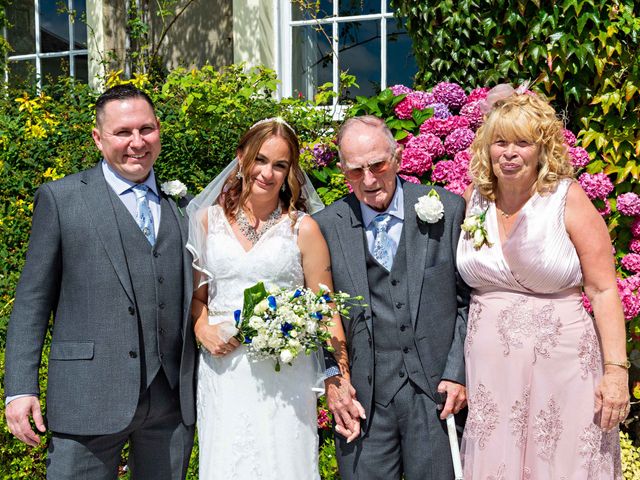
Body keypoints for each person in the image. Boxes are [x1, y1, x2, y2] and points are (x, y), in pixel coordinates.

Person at [4, 84, 196, 479]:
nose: (137, 142)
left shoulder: (182, 206)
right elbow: (32, 302)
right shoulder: (62, 199)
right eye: (123, 132)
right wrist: (20, 388)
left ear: (159, 129)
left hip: (170, 404)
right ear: (98, 138)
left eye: (146, 129)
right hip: (86, 397)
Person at [458, 89, 628, 478]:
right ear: (487, 147)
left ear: (542, 149)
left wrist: (616, 371)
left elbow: (602, 290)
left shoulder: (567, 199)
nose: (509, 152)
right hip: (490, 372)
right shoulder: (472, 200)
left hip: (563, 366)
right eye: (500, 142)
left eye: (522, 143)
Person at [186, 117, 355, 479]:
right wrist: (203, 329)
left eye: (280, 165)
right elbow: (196, 298)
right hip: (225, 370)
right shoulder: (206, 222)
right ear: (241, 157)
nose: (268, 173)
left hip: (286, 375)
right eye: (260, 160)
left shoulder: (302, 228)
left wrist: (338, 378)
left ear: (290, 171)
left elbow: (325, 308)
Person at [314, 115, 470, 479]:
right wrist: (335, 380)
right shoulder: (326, 226)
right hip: (364, 400)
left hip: (435, 396)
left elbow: (469, 302)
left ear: (397, 157)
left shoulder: (446, 210)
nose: (368, 181)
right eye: (355, 171)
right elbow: (319, 312)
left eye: (377, 165)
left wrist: (458, 373)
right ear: (341, 170)